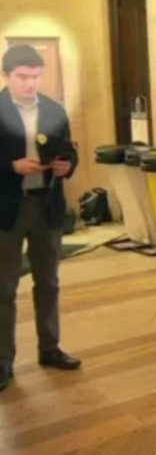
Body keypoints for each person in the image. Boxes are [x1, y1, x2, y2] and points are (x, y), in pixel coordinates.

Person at [0, 45, 82, 394]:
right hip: (7, 210)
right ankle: (3, 361)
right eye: (22, 77)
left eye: (35, 76)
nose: (30, 83)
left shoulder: (54, 110)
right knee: (3, 289)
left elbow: (68, 149)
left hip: (46, 205)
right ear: (6, 76)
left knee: (48, 283)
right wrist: (10, 168)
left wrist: (67, 166)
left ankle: (49, 349)